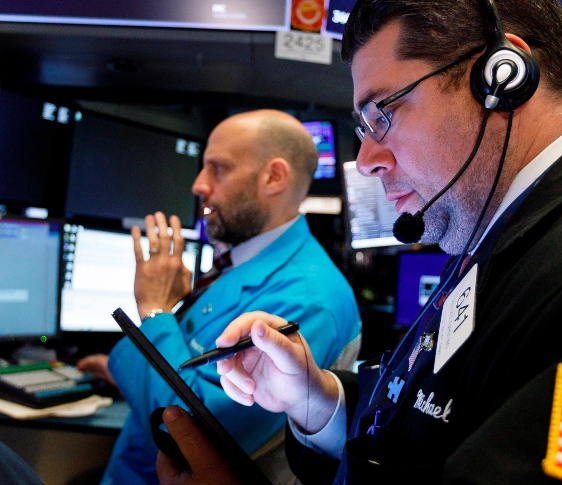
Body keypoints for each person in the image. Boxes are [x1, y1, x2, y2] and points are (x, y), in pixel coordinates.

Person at [156, 0, 562, 484]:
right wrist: (317, 400)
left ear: (503, 75)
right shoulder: (503, 226)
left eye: (383, 113)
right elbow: (435, 418)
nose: (366, 161)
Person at [78, 109, 362, 485]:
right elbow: (189, 367)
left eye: (218, 168)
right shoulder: (245, 261)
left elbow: (195, 434)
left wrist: (154, 311)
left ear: (274, 177)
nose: (198, 184)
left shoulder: (309, 298)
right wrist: (121, 370)